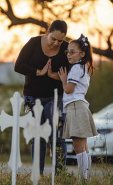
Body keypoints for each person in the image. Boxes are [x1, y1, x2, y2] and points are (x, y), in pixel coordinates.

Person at [14, 19, 70, 175]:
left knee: (56, 135)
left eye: (60, 40)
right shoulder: (33, 43)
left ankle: (60, 175)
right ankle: (37, 174)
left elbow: (72, 75)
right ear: (47, 32)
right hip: (33, 96)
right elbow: (18, 65)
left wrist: (54, 76)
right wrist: (38, 72)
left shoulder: (66, 48)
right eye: (54, 39)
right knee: (37, 134)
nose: (56, 43)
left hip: (56, 97)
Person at [58, 34, 98, 181]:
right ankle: (86, 178)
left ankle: (83, 179)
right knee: (84, 146)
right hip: (79, 106)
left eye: (72, 52)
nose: (69, 55)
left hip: (75, 107)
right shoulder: (84, 67)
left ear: (82, 53)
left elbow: (68, 89)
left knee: (78, 146)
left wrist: (63, 80)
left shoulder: (76, 68)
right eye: (67, 52)